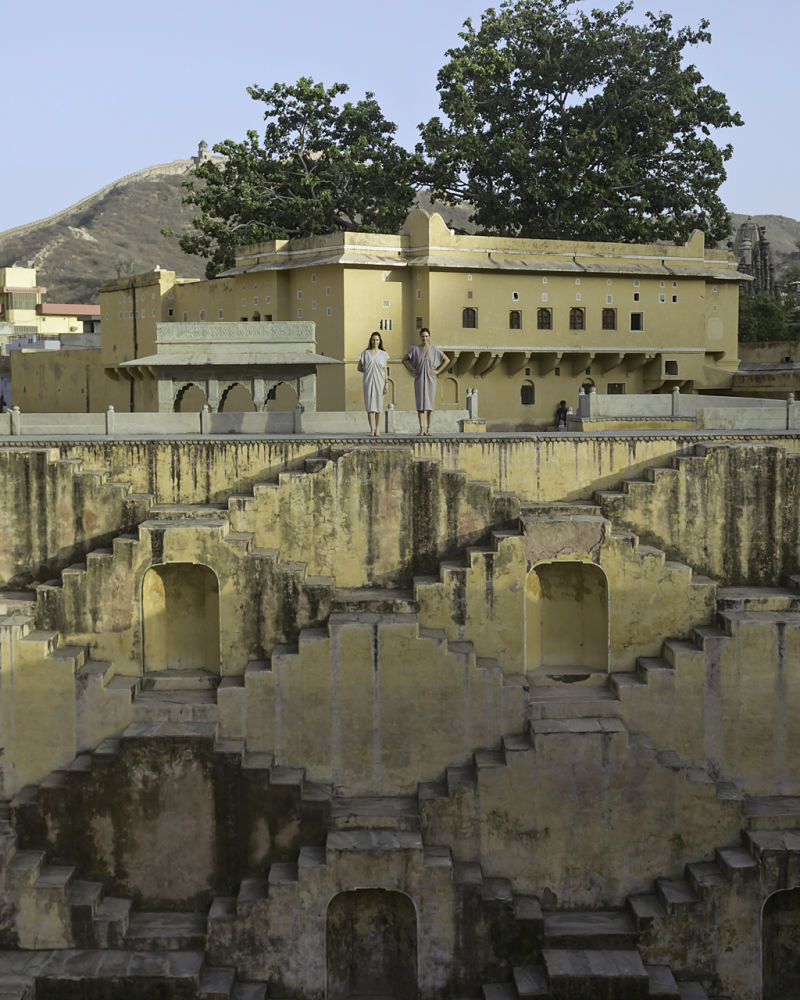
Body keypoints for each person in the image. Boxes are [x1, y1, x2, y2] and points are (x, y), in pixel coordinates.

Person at [403, 328, 450, 435]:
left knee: (430, 405)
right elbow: (404, 360)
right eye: (423, 336)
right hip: (419, 379)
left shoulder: (435, 350)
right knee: (420, 405)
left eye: (426, 336)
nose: (425, 338)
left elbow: (447, 360)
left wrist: (438, 370)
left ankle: (429, 429)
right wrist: (411, 369)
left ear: (429, 337)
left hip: (431, 380)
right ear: (420, 337)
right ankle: (421, 429)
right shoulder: (415, 349)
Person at [357, 331, 390, 436]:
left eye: (377, 340)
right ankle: (372, 429)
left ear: (379, 341)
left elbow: (385, 369)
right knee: (370, 406)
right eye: (373, 340)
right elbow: (359, 367)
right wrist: (367, 372)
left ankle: (377, 429)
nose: (375, 341)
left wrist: (386, 382)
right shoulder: (365, 353)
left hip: (380, 382)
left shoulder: (384, 354)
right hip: (368, 381)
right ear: (370, 341)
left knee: (379, 405)